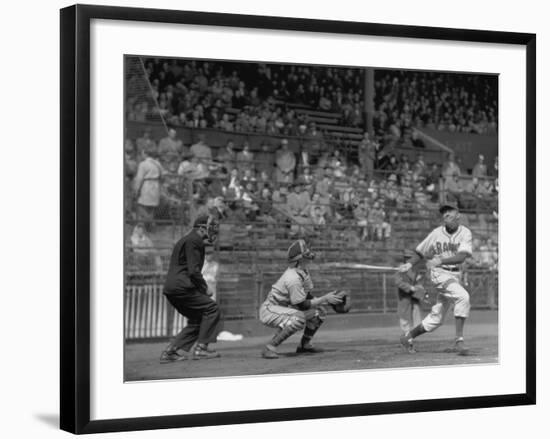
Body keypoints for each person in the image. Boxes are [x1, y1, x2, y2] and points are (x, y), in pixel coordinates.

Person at [398, 202, 473, 355]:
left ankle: (408, 337)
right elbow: (420, 252)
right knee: (463, 297)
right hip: (439, 274)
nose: (446, 216)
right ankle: (459, 340)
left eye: (449, 213)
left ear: (458, 215)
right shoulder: (436, 233)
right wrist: (409, 265)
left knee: (436, 318)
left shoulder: (465, 233)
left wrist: (440, 260)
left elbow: (462, 257)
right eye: (444, 214)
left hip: (454, 274)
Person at [258, 240, 343, 359]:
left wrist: (327, 301)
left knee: (320, 312)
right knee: (299, 317)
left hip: (285, 308)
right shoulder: (292, 278)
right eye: (305, 255)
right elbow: (302, 305)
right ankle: (269, 347)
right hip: (270, 310)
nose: (308, 256)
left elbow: (307, 297)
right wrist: (324, 298)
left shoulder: (303, 272)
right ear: (298, 260)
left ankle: (305, 345)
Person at [160, 214, 223, 362]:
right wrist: (204, 288)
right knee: (212, 309)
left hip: (172, 288)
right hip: (182, 287)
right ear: (202, 228)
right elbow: (193, 270)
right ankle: (201, 349)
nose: (213, 231)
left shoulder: (186, 239)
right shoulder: (195, 241)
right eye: (210, 228)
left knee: (198, 319)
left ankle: (170, 352)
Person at [394, 250, 426, 352]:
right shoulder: (400, 269)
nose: (408, 259)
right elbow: (398, 282)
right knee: (405, 323)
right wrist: (409, 287)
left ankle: (409, 340)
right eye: (406, 257)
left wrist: (419, 289)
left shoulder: (414, 270)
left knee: (418, 324)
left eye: (410, 257)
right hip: (404, 300)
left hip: (414, 301)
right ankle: (408, 344)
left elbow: (419, 284)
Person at [133, 147, 164, 226]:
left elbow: (139, 178)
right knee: (151, 208)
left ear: (145, 154)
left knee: (142, 206)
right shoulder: (158, 163)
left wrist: (136, 190)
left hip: (146, 186)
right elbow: (162, 176)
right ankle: (149, 226)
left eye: (142, 153)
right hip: (156, 186)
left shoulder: (143, 164)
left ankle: (149, 223)